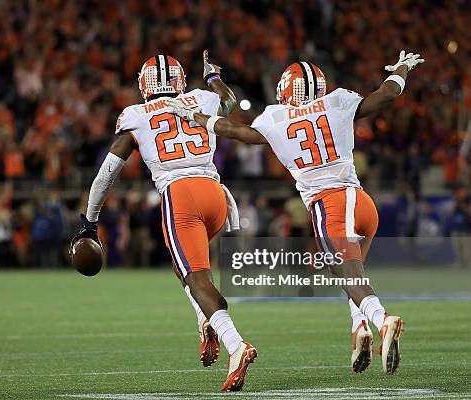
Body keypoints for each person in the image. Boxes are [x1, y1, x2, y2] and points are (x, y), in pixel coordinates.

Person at [167, 50, 425, 375]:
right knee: (351, 273)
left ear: (286, 90)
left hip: (331, 204)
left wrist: (196, 118)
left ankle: (382, 320)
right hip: (361, 203)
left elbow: (234, 131)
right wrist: (401, 69)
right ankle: (359, 326)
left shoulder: (276, 118)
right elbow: (387, 95)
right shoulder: (338, 101)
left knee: (348, 273)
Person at [70, 52, 257, 392]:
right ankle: (206, 321)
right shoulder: (201, 97)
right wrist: (213, 76)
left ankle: (236, 345)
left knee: (197, 280)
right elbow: (229, 102)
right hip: (215, 193)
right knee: (186, 267)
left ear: (144, 84)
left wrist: (89, 222)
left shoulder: (136, 114)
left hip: (180, 195)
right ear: (179, 81)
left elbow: (106, 174)